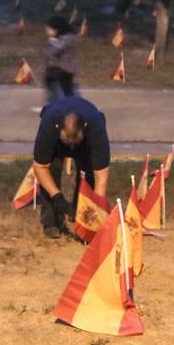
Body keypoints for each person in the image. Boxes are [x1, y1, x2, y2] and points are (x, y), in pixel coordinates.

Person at [33, 95, 111, 238]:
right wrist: (57, 197)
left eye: (75, 141)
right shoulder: (49, 125)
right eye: (67, 140)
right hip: (56, 146)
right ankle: (51, 223)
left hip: (85, 147)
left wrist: (96, 212)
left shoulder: (96, 126)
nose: (71, 146)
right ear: (59, 129)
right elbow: (40, 167)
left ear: (84, 130)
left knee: (87, 176)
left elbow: (101, 178)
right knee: (53, 170)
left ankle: (81, 217)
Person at [44, 15, 79, 101]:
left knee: (66, 88)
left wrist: (51, 39)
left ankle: (70, 106)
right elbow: (51, 53)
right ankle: (56, 103)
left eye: (49, 29)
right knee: (51, 82)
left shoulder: (68, 37)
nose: (47, 31)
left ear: (57, 29)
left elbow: (58, 48)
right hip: (59, 67)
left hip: (67, 68)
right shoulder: (60, 37)